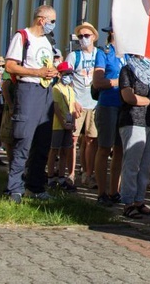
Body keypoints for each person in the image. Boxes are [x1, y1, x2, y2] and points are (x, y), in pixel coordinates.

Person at [4, 5, 59, 203]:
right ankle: (14, 189)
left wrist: (53, 71)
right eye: (52, 21)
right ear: (41, 20)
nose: (53, 25)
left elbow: (48, 65)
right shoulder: (22, 36)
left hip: (45, 91)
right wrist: (37, 72)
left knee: (43, 141)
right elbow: (10, 66)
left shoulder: (48, 40)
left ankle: (35, 187)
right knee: (23, 140)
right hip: (27, 90)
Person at [117, 53, 150, 219]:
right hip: (133, 120)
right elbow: (129, 97)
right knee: (132, 164)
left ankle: (139, 200)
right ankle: (127, 202)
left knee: (146, 164)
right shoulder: (128, 69)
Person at [93, 25, 127, 206]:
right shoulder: (104, 52)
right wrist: (118, 82)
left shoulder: (129, 54)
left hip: (125, 106)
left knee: (120, 151)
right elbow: (97, 81)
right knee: (105, 148)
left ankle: (115, 191)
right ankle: (101, 192)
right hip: (108, 105)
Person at [66, 22, 100, 188]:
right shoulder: (74, 56)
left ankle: (88, 173)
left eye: (86, 35)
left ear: (93, 37)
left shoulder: (99, 54)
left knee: (91, 140)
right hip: (78, 103)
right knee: (72, 139)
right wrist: (73, 101)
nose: (83, 39)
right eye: (80, 36)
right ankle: (71, 173)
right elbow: (66, 80)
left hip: (95, 104)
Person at [48, 61, 78, 191]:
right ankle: (50, 177)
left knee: (65, 151)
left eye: (71, 74)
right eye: (66, 74)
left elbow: (72, 108)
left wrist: (73, 122)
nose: (69, 76)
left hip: (68, 124)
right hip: (57, 125)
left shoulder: (71, 89)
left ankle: (61, 176)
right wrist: (63, 123)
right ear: (60, 75)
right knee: (54, 150)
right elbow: (56, 108)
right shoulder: (56, 88)